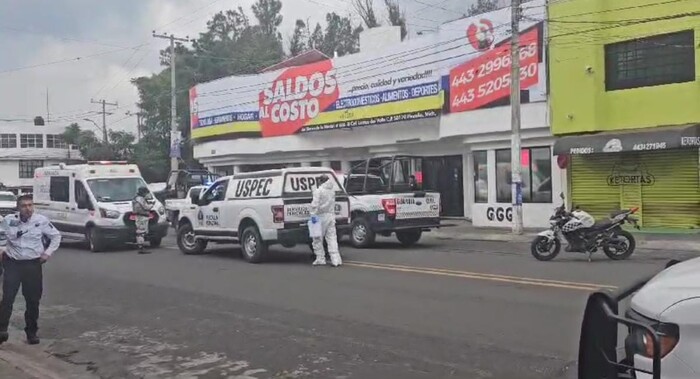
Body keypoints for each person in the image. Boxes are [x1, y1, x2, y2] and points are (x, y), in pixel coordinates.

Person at [0, 194, 61, 345]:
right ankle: (2, 330)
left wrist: (47, 253)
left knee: (33, 300)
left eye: (30, 205)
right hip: (13, 263)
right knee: (8, 299)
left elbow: (56, 236)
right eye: (24, 206)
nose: (28, 209)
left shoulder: (41, 221)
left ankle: (31, 333)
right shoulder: (9, 220)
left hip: (32, 265)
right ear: (18, 208)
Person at [310, 175, 342, 267]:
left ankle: (320, 258)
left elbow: (315, 205)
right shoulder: (332, 191)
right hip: (331, 216)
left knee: (317, 239)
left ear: (321, 181)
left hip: (319, 216)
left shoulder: (318, 191)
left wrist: (312, 215)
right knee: (332, 238)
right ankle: (335, 259)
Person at [132, 187, 153, 254]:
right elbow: (146, 207)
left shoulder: (136, 198)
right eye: (145, 192)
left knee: (141, 232)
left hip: (140, 216)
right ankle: (141, 248)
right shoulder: (140, 199)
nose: (146, 194)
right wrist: (152, 205)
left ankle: (141, 246)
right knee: (141, 232)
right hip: (141, 216)